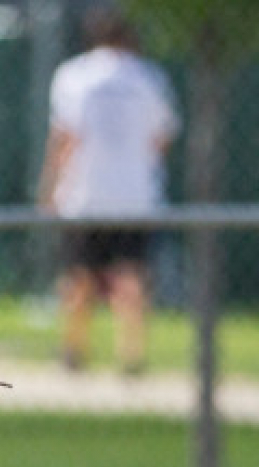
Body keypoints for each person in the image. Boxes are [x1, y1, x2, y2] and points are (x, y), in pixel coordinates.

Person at [37, 5, 179, 375]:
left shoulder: (73, 75)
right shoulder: (150, 77)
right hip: (135, 196)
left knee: (78, 275)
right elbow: (161, 140)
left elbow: (65, 138)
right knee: (131, 277)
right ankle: (131, 357)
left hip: (85, 195)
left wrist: (49, 187)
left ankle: (73, 353)